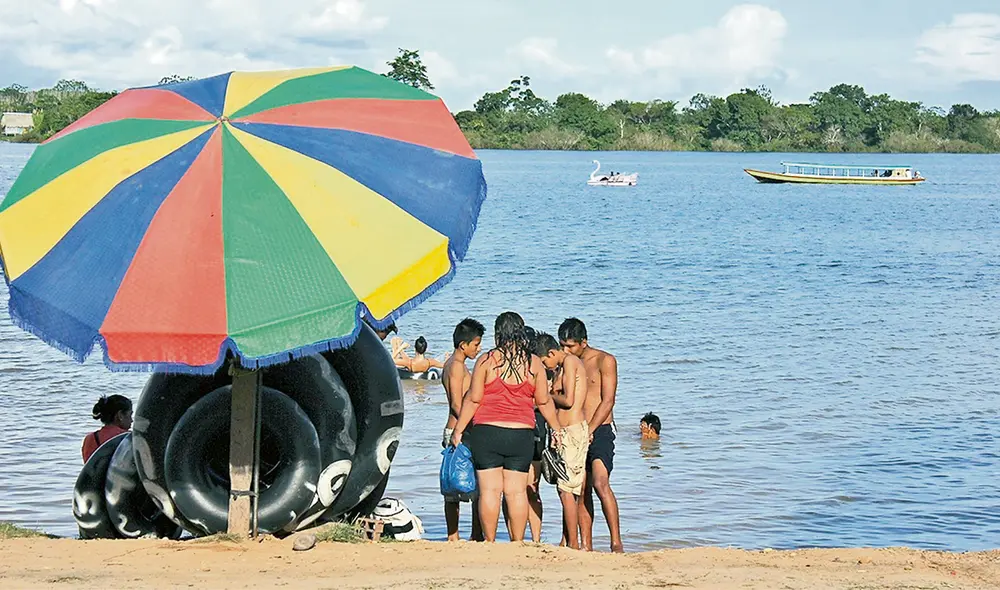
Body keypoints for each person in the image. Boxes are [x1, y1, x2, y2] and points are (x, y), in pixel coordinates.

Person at [451, 312, 562, 543]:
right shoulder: (534, 363)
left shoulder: (486, 360)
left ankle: (490, 542)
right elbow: (544, 401)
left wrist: (458, 429)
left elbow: (473, 399)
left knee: (490, 491)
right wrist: (557, 429)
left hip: (487, 432)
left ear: (498, 333)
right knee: (517, 492)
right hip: (521, 434)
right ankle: (518, 542)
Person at [559, 317, 623, 553]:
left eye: (570, 346)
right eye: (562, 346)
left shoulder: (604, 360)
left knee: (600, 482)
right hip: (576, 431)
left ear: (583, 342)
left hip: (600, 429)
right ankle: (586, 545)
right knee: (580, 488)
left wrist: (591, 430)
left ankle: (616, 542)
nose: (566, 350)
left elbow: (608, 401)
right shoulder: (565, 364)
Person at [534, 331, 589, 549]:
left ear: (551, 352)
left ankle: (573, 543)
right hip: (564, 432)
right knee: (564, 488)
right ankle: (566, 539)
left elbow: (568, 400)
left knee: (567, 490)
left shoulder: (570, 362)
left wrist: (544, 397)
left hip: (573, 432)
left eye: (545, 361)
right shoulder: (562, 367)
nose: (545, 366)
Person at [442, 318, 485, 542]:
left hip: (451, 429)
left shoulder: (449, 364)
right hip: (461, 429)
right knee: (473, 482)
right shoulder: (458, 367)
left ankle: (454, 534)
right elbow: (458, 405)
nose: (478, 349)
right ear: (463, 345)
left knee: (452, 486)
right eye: (476, 344)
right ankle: (471, 533)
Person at [82, 395, 133, 463]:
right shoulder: (128, 438)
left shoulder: (90, 439)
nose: (131, 420)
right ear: (120, 415)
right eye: (130, 415)